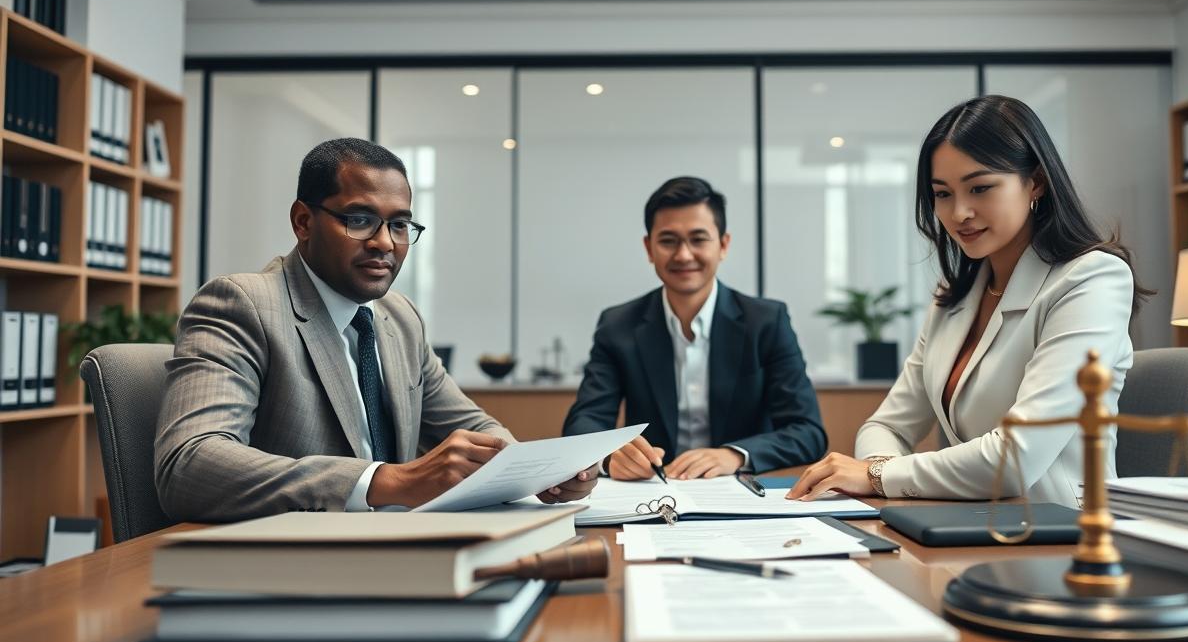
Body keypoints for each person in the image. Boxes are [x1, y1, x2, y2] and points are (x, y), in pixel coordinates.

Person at [155, 138, 597, 521]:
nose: (385, 242)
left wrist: (534, 471)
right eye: (360, 219)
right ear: (303, 222)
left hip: (396, 547)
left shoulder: (399, 317)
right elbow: (190, 465)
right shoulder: (242, 305)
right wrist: (385, 480)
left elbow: (469, 424)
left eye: (400, 225)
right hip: (294, 565)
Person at [788, 96, 1148, 507]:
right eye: (942, 194)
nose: (959, 213)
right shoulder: (955, 298)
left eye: (980, 188)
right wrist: (880, 471)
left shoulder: (1091, 279)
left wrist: (877, 474)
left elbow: (1016, 459)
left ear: (1036, 182)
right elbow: (887, 426)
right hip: (962, 528)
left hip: (1061, 538)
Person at [563, 177, 827, 480]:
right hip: (652, 496)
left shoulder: (766, 321)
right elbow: (585, 421)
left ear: (723, 245)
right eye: (668, 241)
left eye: (698, 239)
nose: (684, 255)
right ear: (649, 248)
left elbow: (808, 432)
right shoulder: (618, 325)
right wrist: (610, 458)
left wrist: (734, 455)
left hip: (743, 494)